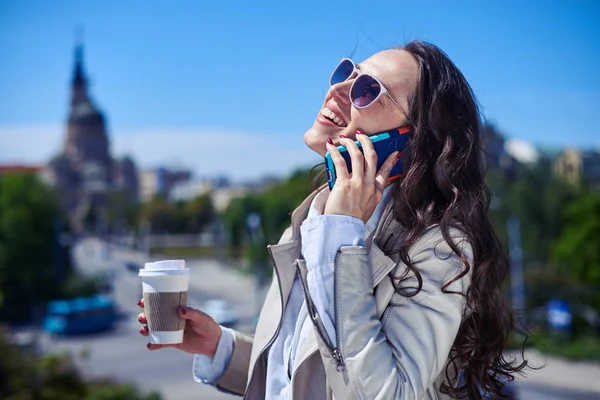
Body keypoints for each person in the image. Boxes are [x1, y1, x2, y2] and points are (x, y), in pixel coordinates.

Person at [137, 41, 527, 399]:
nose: (338, 89)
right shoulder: (311, 217)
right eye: (347, 73)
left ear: (410, 140)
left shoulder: (439, 245)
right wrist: (218, 346)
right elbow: (299, 379)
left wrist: (342, 240)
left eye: (367, 89)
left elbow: (386, 392)